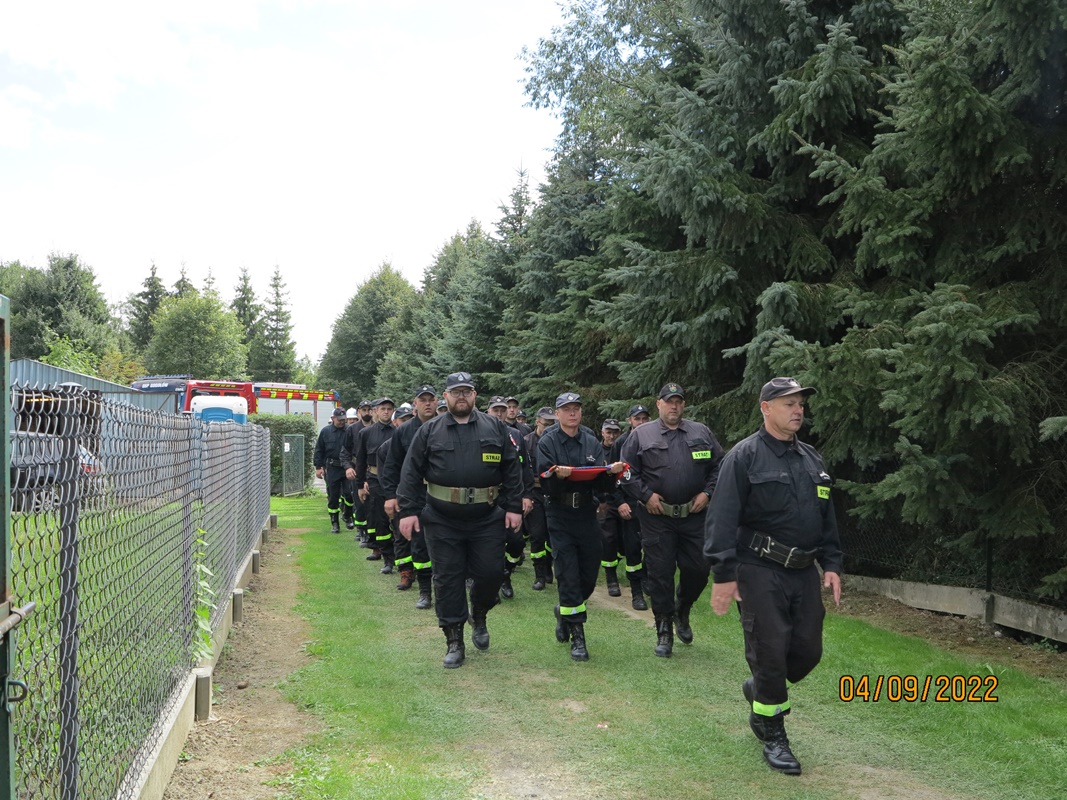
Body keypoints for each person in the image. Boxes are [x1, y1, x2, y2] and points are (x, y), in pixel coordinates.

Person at [705, 377, 842, 776]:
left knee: (807, 651)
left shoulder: (811, 458)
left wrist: (832, 563)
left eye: (800, 404)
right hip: (758, 568)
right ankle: (773, 733)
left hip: (803, 571)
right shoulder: (743, 456)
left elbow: (826, 516)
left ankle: (759, 688)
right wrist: (724, 574)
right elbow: (721, 517)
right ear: (766, 408)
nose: (798, 410)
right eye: (788, 404)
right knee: (769, 651)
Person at [397, 372, 524, 668]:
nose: (462, 396)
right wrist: (408, 511)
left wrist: (514, 507)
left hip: (487, 517)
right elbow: (411, 472)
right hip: (442, 519)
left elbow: (512, 469)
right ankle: (454, 640)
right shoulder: (429, 431)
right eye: (456, 392)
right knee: (448, 578)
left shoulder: (495, 427)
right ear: (446, 396)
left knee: (491, 574)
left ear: (475, 395)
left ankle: (479, 613)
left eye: (467, 391)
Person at [621, 383, 724, 658]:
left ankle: (683, 608)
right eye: (669, 401)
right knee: (660, 574)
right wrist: (645, 496)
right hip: (657, 517)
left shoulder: (701, 432)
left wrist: (708, 492)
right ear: (659, 404)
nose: (674, 406)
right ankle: (664, 629)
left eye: (678, 401)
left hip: (694, 516)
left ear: (683, 404)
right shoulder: (641, 434)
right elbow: (626, 472)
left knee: (699, 569)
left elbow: (719, 465)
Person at [538, 392, 626, 661]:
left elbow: (600, 483)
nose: (572, 413)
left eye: (576, 408)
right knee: (567, 572)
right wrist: (559, 477)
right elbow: (545, 482)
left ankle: (565, 612)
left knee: (588, 573)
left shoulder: (590, 441)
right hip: (559, 513)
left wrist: (611, 475)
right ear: (558, 413)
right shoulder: (548, 441)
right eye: (567, 409)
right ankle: (577, 635)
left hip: (587, 513)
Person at [380, 385, 439, 607]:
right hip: (415, 495)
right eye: (422, 400)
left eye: (431, 399)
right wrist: (390, 496)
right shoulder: (403, 431)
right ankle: (425, 592)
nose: (427, 403)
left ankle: (447, 590)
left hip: (443, 494)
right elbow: (392, 465)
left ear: (437, 401)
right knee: (419, 545)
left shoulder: (447, 426)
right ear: (415, 403)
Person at [486, 396, 536, 598]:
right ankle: (487, 582)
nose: (499, 414)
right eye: (495, 410)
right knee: (488, 543)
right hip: (486, 497)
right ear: (488, 412)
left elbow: (525, 467)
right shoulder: (479, 432)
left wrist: (527, 494)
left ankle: (506, 573)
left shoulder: (516, 435)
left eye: (502, 410)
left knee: (516, 543)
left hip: (511, 497)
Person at [606, 404, 652, 610]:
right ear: (630, 421)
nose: (641, 422)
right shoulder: (621, 443)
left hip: (652, 502)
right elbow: (612, 476)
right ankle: (636, 593)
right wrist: (620, 502)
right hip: (629, 503)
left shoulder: (655, 438)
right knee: (632, 549)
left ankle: (648, 581)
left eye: (644, 418)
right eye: (637, 418)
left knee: (652, 547)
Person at [346, 397, 396, 570]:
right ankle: (386, 557)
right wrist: (361, 484)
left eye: (389, 409)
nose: (386, 412)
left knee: (395, 518)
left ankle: (399, 555)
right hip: (374, 479)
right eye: (383, 408)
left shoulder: (399, 432)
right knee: (378, 518)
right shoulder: (366, 433)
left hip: (394, 480)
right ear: (376, 411)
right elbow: (360, 461)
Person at [522, 407, 556, 590]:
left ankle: (548, 565)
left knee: (552, 534)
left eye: (552, 424)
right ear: (537, 422)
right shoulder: (526, 442)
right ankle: (539, 574)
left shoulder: (555, 441)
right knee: (537, 534)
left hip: (553, 493)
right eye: (546, 424)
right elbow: (522, 470)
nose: (549, 427)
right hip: (534, 493)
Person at [596, 418, 625, 596]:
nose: (612, 436)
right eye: (609, 432)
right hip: (605, 500)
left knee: (625, 541)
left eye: (615, 432)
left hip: (623, 499)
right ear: (602, 432)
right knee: (608, 539)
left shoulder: (623, 449)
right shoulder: (596, 451)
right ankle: (611, 577)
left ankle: (616, 559)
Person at [313, 407, 353, 533]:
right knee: (333, 496)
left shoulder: (350, 430)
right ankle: (335, 523)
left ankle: (347, 515)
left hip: (347, 467)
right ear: (333, 418)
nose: (342, 422)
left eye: (343, 419)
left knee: (349, 494)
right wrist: (318, 467)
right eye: (339, 419)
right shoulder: (326, 431)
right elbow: (319, 450)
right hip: (332, 468)